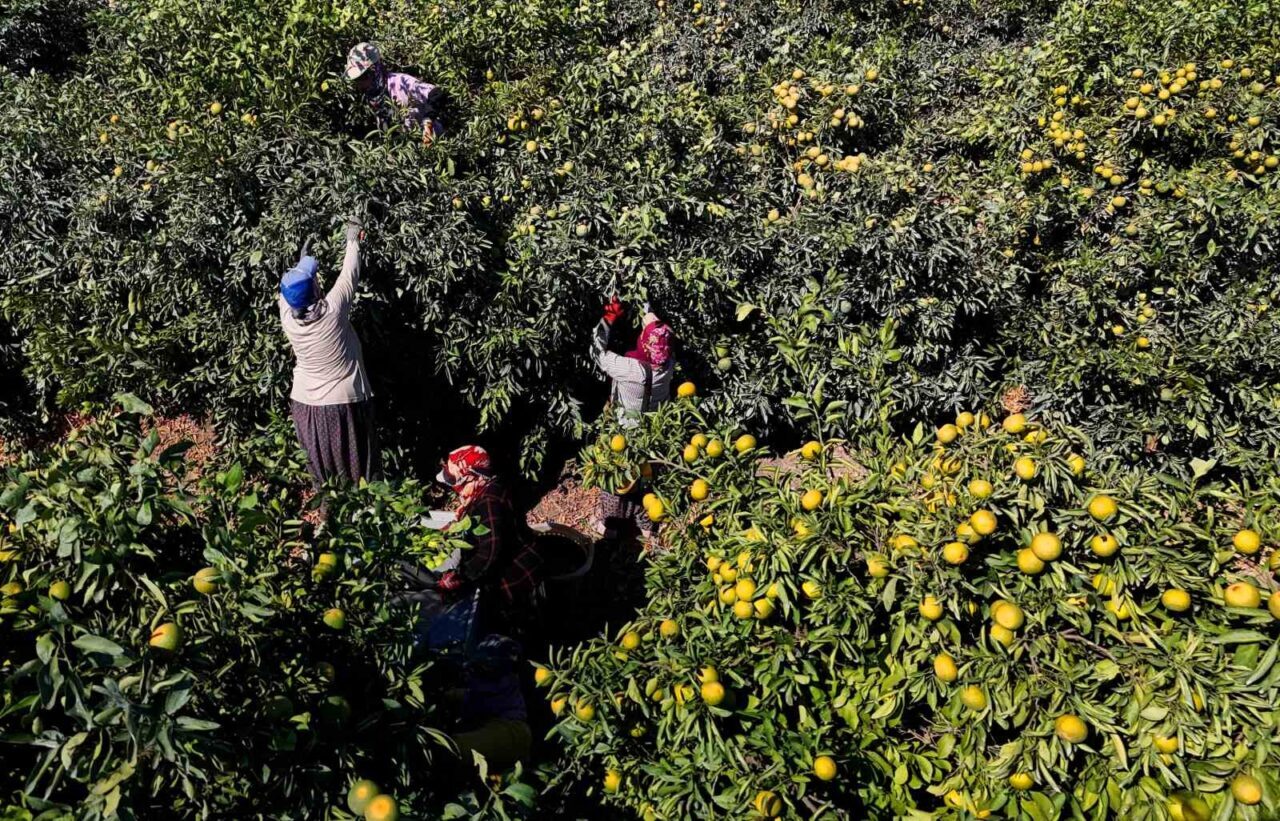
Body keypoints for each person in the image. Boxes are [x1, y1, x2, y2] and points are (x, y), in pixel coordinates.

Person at [278, 217, 381, 496]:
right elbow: (349, 274)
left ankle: (328, 516)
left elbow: (289, 292)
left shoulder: (287, 316)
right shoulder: (332, 312)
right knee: (358, 472)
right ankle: (365, 515)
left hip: (305, 406)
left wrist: (301, 264)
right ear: (314, 290)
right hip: (342, 406)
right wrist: (352, 239)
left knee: (326, 476)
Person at [394, 447, 543, 634]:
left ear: (472, 477)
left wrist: (462, 577)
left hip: (510, 575)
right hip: (508, 562)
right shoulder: (489, 488)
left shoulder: (488, 501)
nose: (454, 488)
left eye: (455, 481)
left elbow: (491, 549)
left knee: (482, 620)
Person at [590, 297, 675, 536]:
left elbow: (597, 352)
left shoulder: (630, 370)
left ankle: (610, 526)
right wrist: (644, 302)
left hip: (624, 433)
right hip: (653, 431)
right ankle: (647, 525)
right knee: (647, 479)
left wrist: (609, 318)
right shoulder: (668, 363)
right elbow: (659, 336)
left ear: (644, 344)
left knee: (617, 478)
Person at [449, 634, 533, 773]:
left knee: (449, 749)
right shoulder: (482, 691)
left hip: (509, 729)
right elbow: (466, 695)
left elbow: (455, 748)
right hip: (497, 724)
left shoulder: (499, 685)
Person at [345, 42, 444, 144]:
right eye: (356, 80)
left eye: (362, 78)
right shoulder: (374, 95)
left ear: (373, 71)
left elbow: (435, 93)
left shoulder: (400, 83)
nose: (359, 84)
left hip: (433, 143)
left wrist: (428, 124)